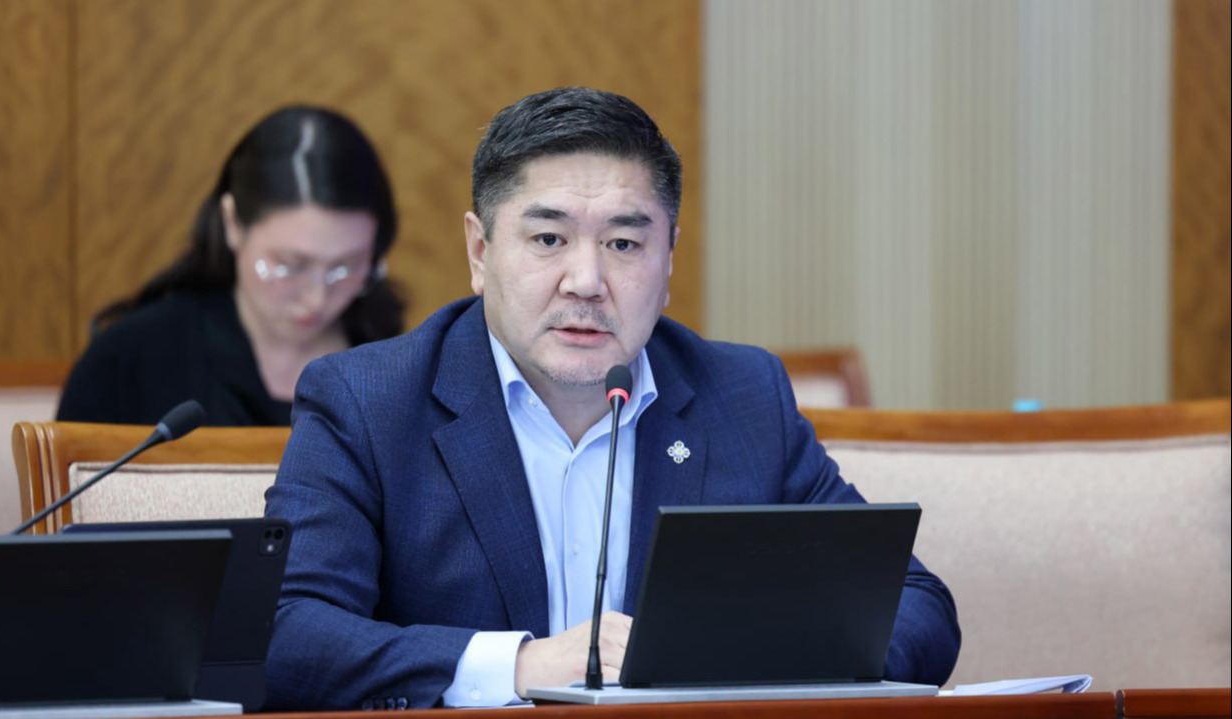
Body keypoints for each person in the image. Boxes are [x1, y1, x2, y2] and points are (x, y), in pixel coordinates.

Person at [263, 87, 961, 710]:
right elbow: (285, 630)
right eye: (548, 238)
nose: (586, 281)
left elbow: (917, 606)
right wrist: (519, 666)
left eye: (624, 244)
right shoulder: (368, 402)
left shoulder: (742, 396)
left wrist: (741, 661)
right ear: (479, 251)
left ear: (668, 258)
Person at [56, 106, 403, 426]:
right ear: (232, 223)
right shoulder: (128, 361)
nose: (316, 298)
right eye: (290, 266)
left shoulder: (398, 368)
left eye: (347, 267)